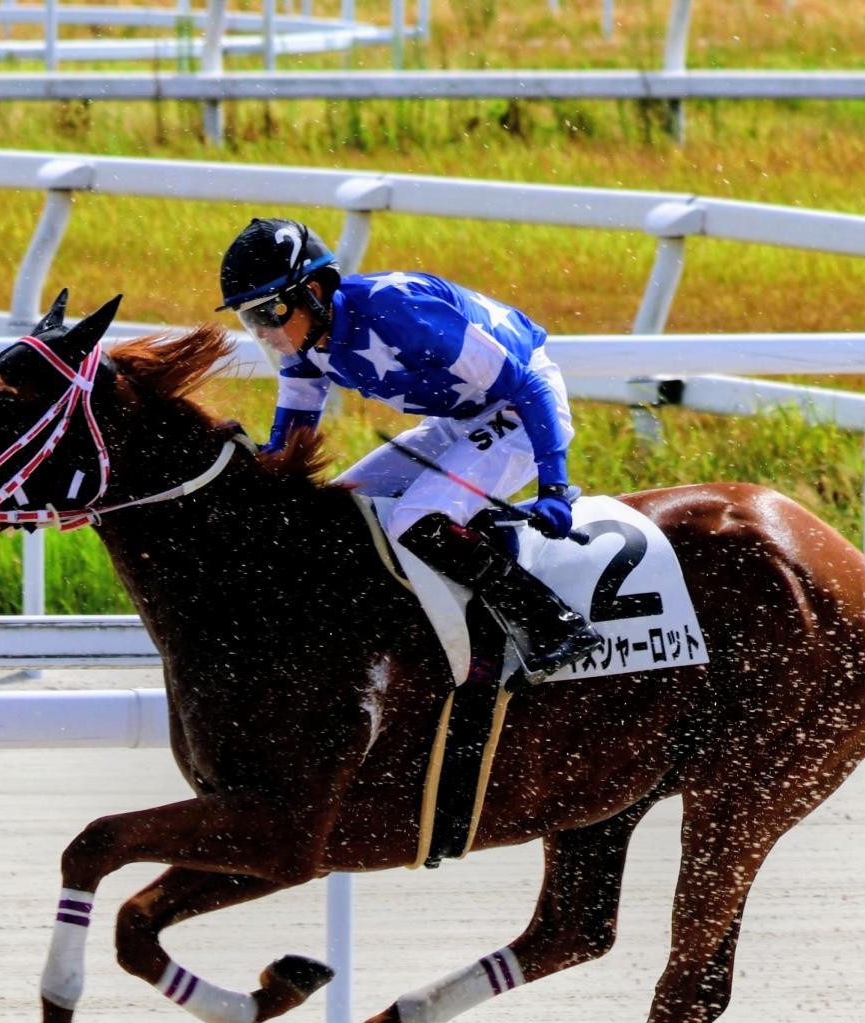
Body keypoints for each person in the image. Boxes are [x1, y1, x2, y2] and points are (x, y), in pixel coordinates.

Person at [217, 216, 605, 681]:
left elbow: (530, 388)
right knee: (341, 512)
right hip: (459, 419)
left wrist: (554, 487)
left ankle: (553, 623)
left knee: (415, 518)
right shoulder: (305, 343)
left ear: (312, 292)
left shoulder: (399, 313)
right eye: (250, 319)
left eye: (267, 314)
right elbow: (285, 445)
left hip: (522, 407)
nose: (262, 332)